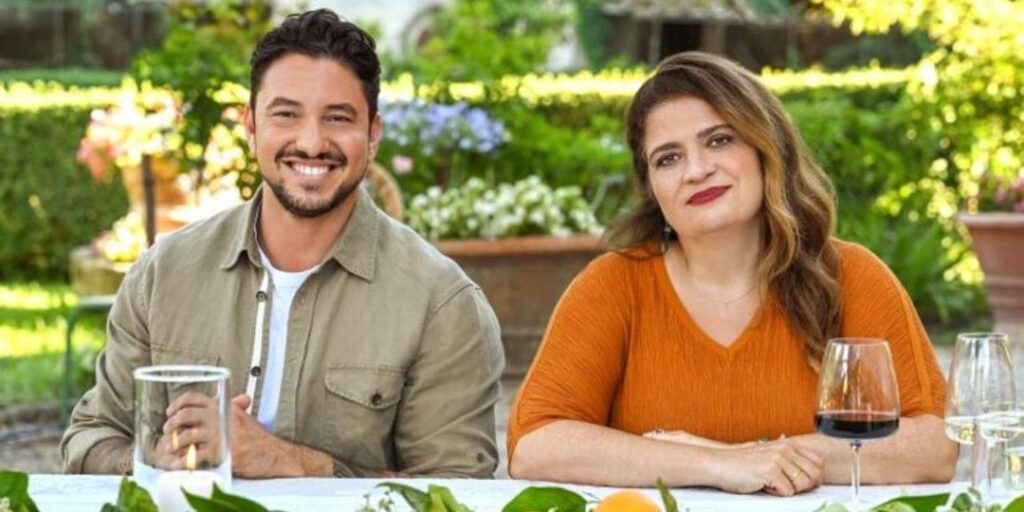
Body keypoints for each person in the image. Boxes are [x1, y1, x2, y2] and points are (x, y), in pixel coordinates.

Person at [61, 9, 505, 478]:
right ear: (251, 126)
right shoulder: (163, 274)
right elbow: (89, 437)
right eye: (286, 115)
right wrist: (150, 460)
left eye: (338, 118)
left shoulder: (441, 303)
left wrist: (289, 461)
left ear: (372, 134)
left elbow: (459, 492)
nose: (312, 143)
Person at [507, 51, 957, 495]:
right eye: (668, 158)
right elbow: (534, 444)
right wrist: (717, 463)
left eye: (719, 140)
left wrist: (755, 456)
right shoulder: (613, 286)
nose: (697, 170)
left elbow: (934, 445)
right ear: (653, 189)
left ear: (767, 150)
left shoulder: (851, 276)